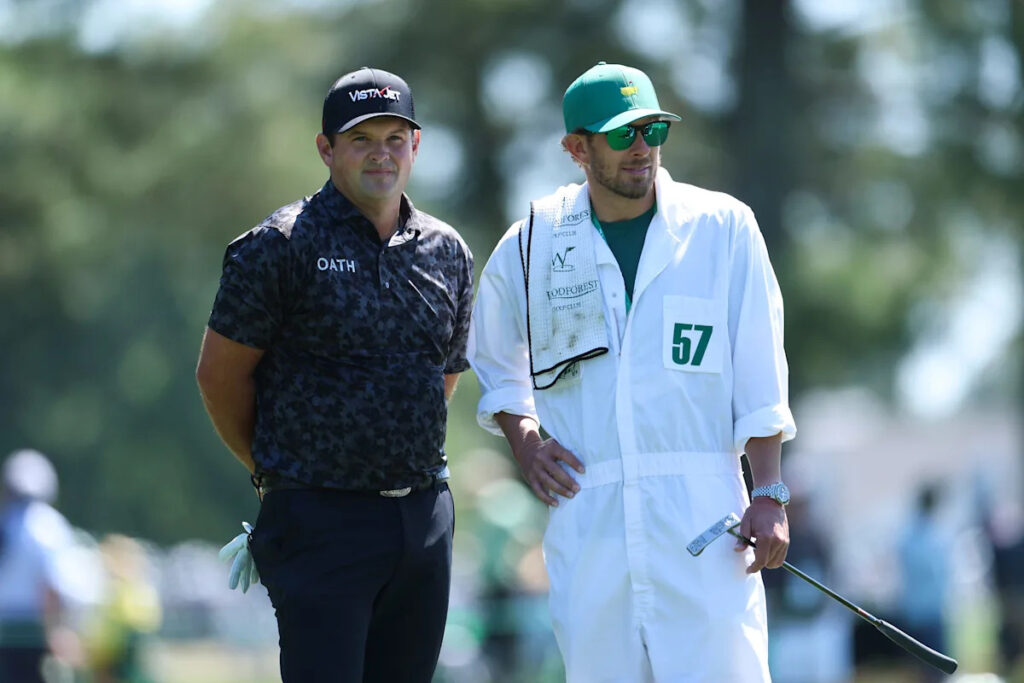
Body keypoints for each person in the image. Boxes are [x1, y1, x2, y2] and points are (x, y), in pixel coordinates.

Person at [468, 61, 796, 682]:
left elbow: (760, 367)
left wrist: (770, 492)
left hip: (704, 515)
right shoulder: (534, 241)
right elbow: (492, 357)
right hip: (588, 515)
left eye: (652, 129)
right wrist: (524, 439)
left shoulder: (722, 227)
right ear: (576, 149)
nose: (641, 148)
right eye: (621, 135)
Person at [195, 66, 474, 682]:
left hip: (423, 519)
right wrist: (276, 473)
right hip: (318, 520)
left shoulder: (446, 250)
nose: (382, 155)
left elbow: (441, 380)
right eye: (361, 140)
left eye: (395, 139)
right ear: (326, 149)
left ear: (416, 146)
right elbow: (219, 378)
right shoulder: (278, 244)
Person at [0, 449, 79, 683]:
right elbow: (51, 587)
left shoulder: (5, 520)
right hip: (32, 631)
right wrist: (56, 631)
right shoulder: (47, 526)